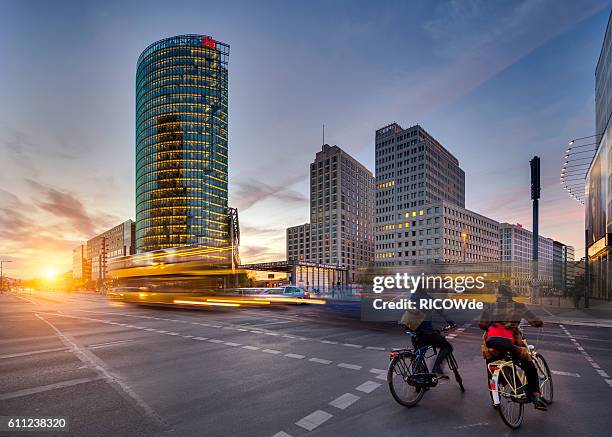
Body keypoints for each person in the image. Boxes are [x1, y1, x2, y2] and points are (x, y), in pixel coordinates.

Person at [479, 284, 547, 411]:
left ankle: (495, 400)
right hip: (511, 344)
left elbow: (482, 325)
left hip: (491, 345)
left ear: (499, 294)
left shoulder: (490, 306)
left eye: (496, 292)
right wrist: (539, 323)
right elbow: (535, 321)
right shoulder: (519, 306)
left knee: (491, 369)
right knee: (529, 365)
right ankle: (536, 396)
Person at [400, 287, 456, 379]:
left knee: (418, 354)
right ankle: (436, 367)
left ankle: (420, 384)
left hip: (413, 331)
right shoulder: (429, 299)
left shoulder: (413, 296)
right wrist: (452, 323)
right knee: (447, 346)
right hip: (425, 333)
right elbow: (442, 312)